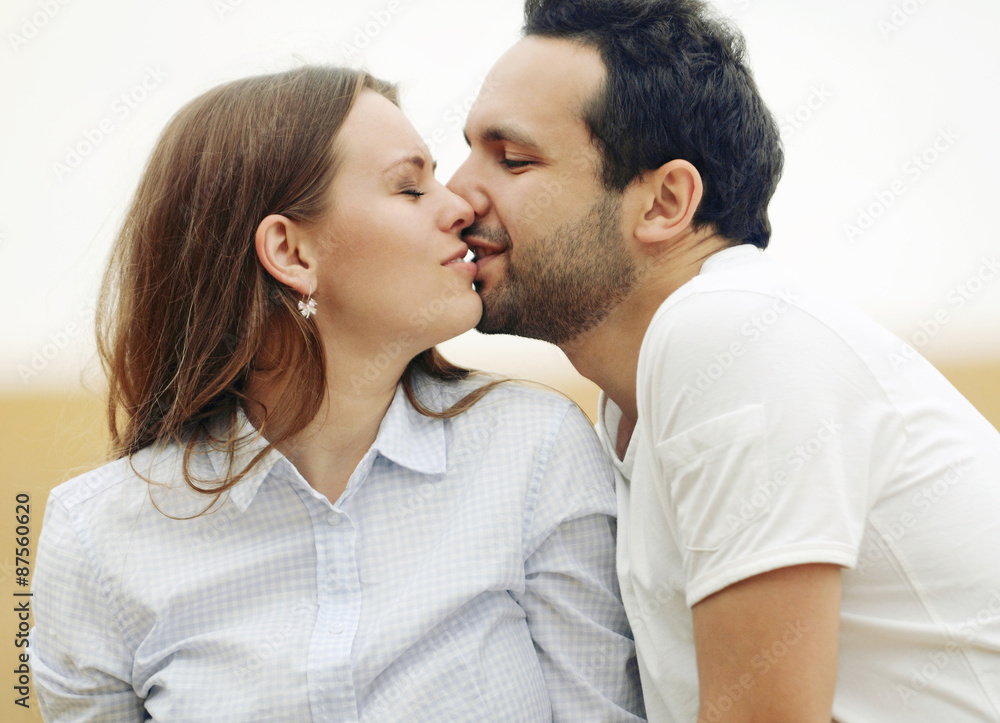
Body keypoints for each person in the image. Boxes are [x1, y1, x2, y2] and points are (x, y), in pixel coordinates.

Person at [28, 65, 645, 721]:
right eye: (410, 188)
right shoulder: (95, 539)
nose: (461, 206)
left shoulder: (535, 449)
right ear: (290, 252)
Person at [446, 0, 1000, 720]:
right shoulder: (632, 404)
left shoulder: (726, 332)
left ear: (664, 202)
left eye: (513, 159)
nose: (455, 195)